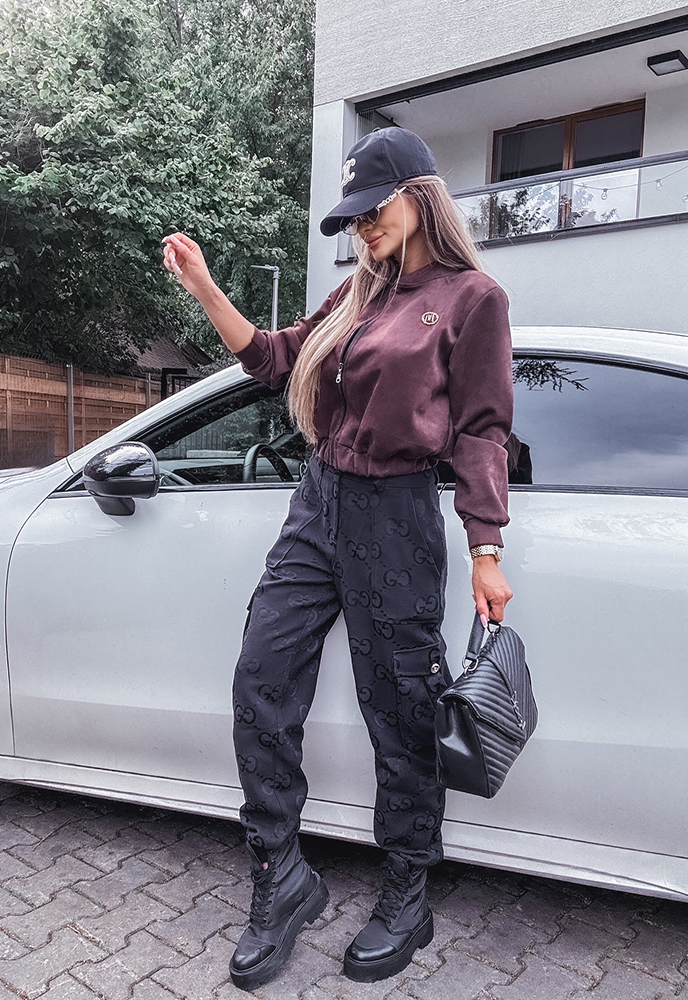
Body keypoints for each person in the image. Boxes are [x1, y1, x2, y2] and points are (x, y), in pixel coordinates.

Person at [162, 127, 514, 991]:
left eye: (372, 210)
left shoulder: (472, 298)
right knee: (261, 676)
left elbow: (482, 431)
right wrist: (205, 286)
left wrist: (486, 546)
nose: (363, 228)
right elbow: (272, 359)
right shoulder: (358, 292)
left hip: (398, 513)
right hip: (319, 502)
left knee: (401, 709)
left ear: (419, 196)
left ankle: (408, 886)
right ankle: (281, 873)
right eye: (352, 218)